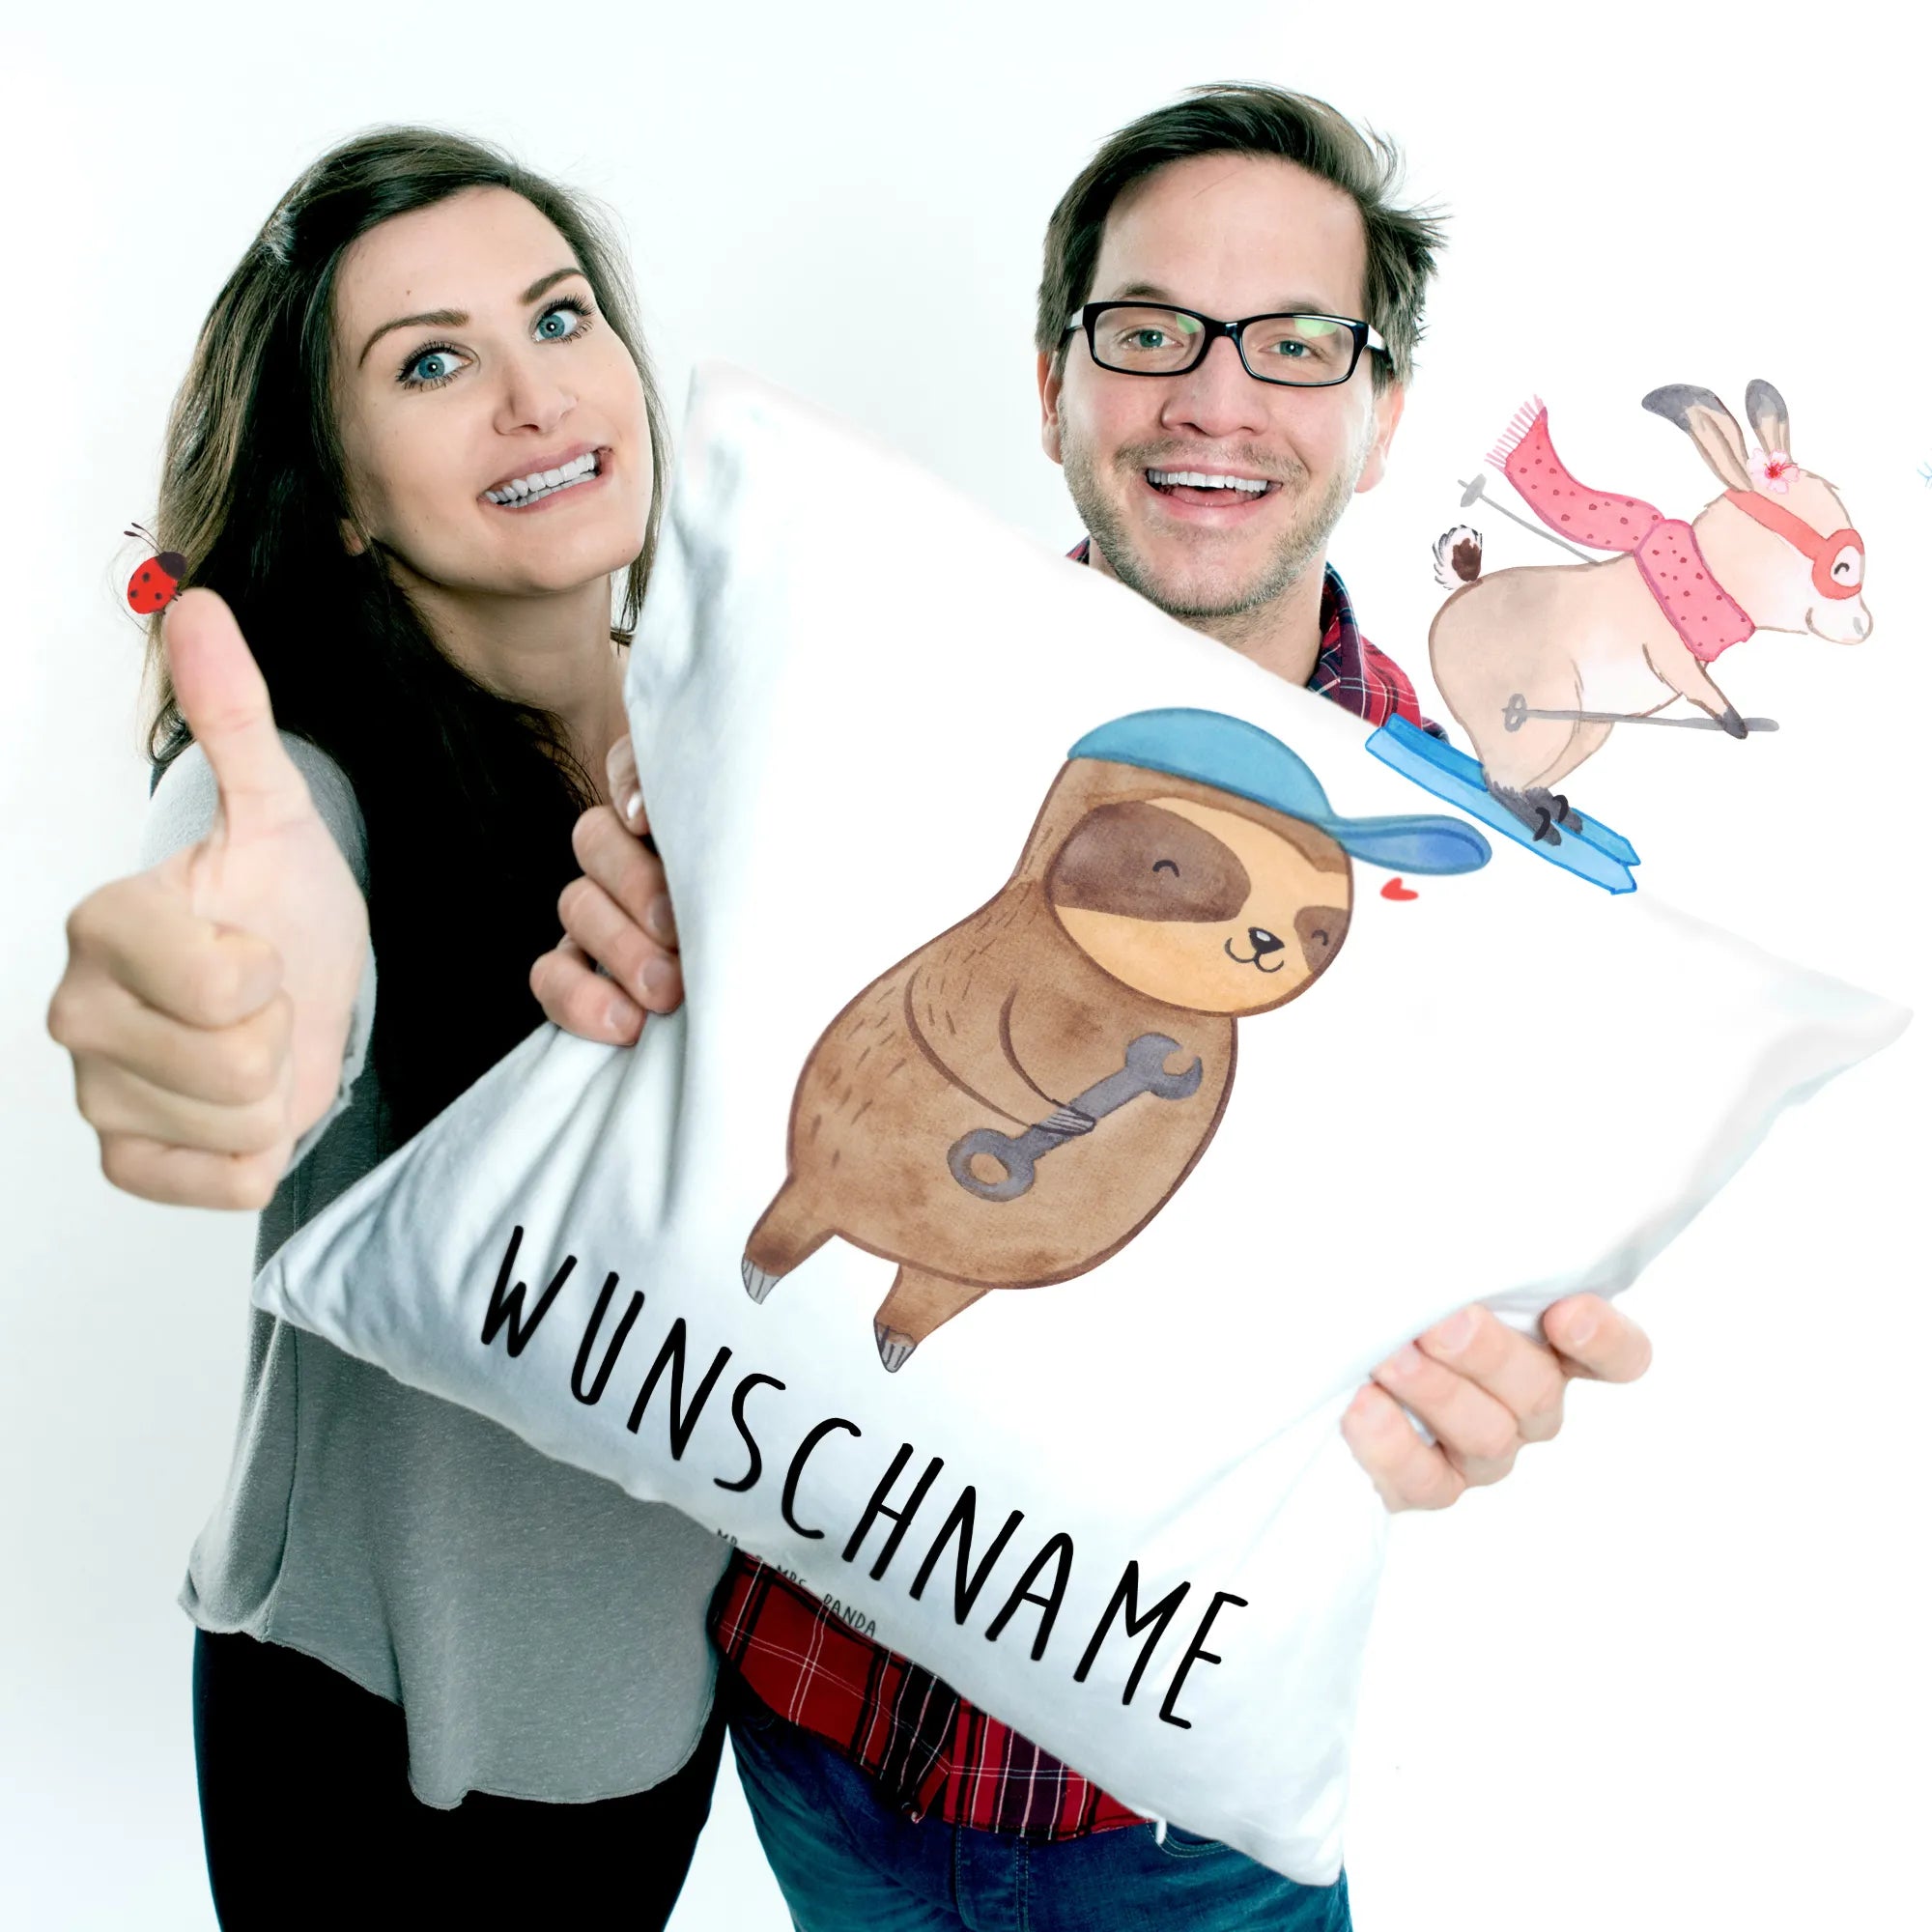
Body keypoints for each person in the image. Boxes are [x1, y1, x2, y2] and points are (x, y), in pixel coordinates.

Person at [533, 84, 1655, 1929]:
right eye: (1150, 333)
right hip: (810, 1742)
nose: (1216, 398)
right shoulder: (838, 710)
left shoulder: (1478, 894)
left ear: (1380, 419)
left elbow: (1453, 1301)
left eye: (1296, 343)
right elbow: (687, 1134)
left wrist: (1475, 1378)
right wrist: (624, 972)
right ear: (1054, 383)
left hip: (1179, 1825)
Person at [45, 130, 729, 1928]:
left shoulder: (732, 745)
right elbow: (252, 901)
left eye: (559, 318)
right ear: (342, 496)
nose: (532, 395)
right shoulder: (308, 782)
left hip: (661, 1712)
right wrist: (221, 1002)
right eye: (430, 363)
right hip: (379, 1745)